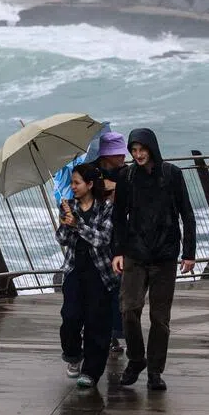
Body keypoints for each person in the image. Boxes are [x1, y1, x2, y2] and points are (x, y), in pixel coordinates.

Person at [111, 128, 196, 392]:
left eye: (142, 150)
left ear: (152, 148)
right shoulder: (126, 177)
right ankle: (137, 360)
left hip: (165, 255)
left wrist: (189, 253)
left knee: (160, 318)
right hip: (135, 254)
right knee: (128, 311)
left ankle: (155, 372)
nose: (137, 155)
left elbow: (187, 213)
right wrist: (117, 251)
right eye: (133, 151)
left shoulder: (171, 174)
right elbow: (118, 217)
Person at [56, 164, 119, 389]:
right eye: (71, 183)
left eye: (77, 183)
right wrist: (65, 220)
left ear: (90, 184)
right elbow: (62, 239)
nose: (72, 187)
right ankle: (73, 355)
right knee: (70, 317)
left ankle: (91, 372)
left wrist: (78, 224)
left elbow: (102, 239)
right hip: (74, 269)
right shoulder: (68, 206)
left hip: (99, 272)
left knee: (97, 323)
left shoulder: (105, 208)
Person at [94, 131, 128, 354]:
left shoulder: (124, 173)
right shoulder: (93, 175)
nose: (124, 157)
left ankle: (115, 333)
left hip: (120, 235)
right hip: (98, 236)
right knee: (102, 287)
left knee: (119, 286)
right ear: (107, 155)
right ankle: (106, 334)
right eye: (119, 153)